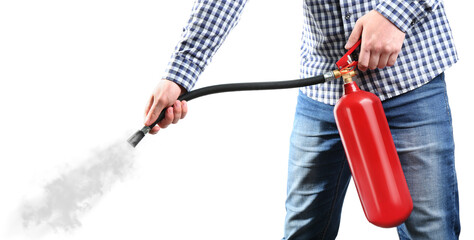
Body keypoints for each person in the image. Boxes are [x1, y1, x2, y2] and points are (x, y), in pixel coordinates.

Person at [143, 0, 460, 239]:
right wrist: (178, 76)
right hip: (323, 94)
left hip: (412, 76)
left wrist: (396, 12)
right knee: (302, 230)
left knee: (432, 232)